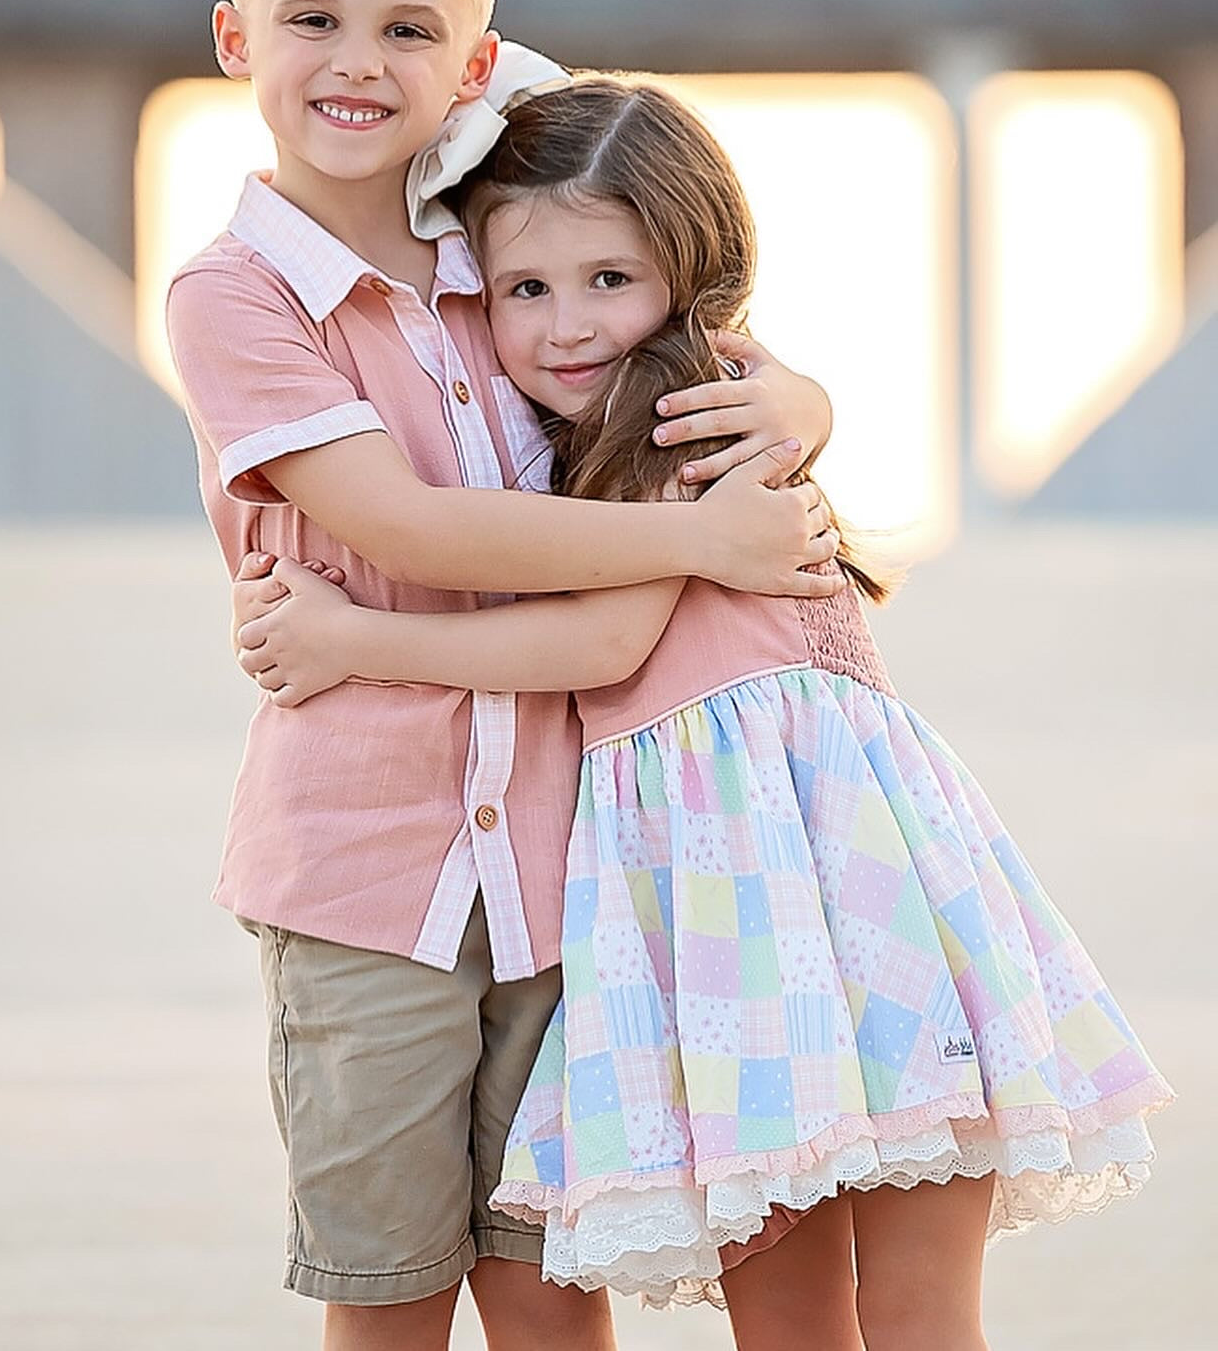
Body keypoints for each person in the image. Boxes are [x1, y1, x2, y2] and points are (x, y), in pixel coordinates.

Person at [234, 77, 1175, 1351]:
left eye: (609, 279)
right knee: (866, 1316)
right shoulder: (603, 432)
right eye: (525, 288)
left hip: (788, 904)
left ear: (691, 273)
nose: (568, 324)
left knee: (876, 1314)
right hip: (782, 916)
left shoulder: (684, 416)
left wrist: (354, 639)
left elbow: (604, 640)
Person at [166, 0, 841, 1351]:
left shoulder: (508, 247)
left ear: (470, 63)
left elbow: (704, 343)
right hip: (363, 875)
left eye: (408, 29)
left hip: (563, 864)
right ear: (236, 39)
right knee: (392, 1286)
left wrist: (804, 402)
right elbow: (410, 526)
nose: (359, 62)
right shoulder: (236, 294)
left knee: (550, 1285)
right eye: (312, 19)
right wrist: (699, 543)